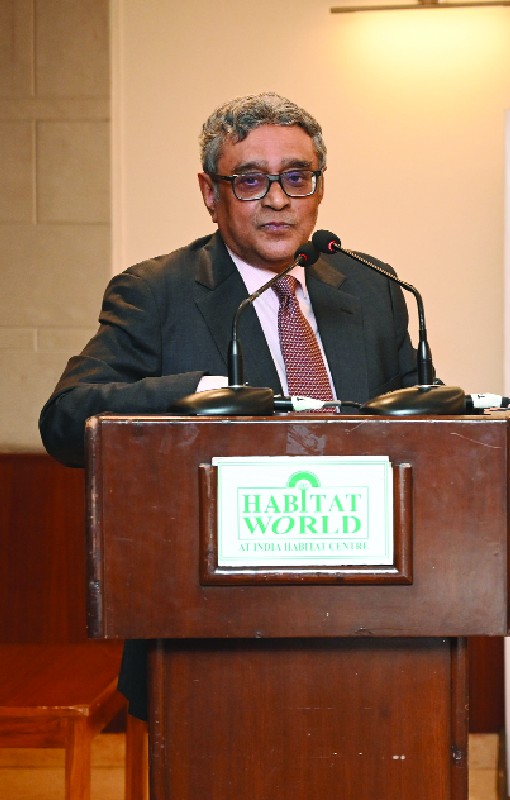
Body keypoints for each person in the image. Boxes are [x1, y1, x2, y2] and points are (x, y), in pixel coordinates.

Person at [38, 92, 421, 718]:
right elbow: (65, 420)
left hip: (369, 609)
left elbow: (420, 413)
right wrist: (202, 395)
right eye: (249, 180)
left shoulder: (373, 287)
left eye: (295, 177)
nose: (277, 199)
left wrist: (480, 437)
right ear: (209, 193)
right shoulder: (156, 292)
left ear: (319, 188)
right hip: (210, 621)